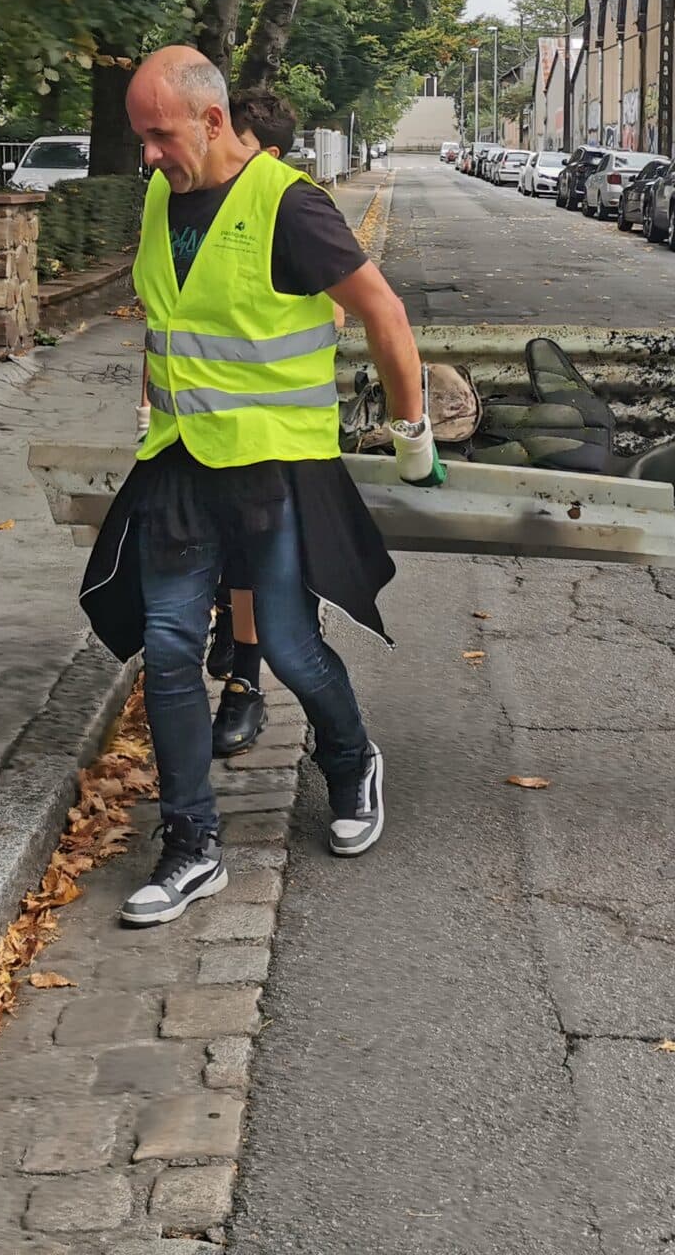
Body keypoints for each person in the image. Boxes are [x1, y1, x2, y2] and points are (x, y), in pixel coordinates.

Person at [83, 47, 442, 926]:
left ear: (212, 121)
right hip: (179, 461)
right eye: (141, 138)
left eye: (160, 135)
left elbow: (384, 314)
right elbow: (168, 326)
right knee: (169, 646)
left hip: (274, 467)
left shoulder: (290, 208)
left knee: (284, 641)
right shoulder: (164, 200)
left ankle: (350, 756)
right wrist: (145, 411)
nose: (150, 155)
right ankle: (191, 844)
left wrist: (412, 434)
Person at [196, 84, 319, 756]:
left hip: (268, 429)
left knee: (248, 556)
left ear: (266, 155)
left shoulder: (287, 209)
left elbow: (338, 308)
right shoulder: (197, 206)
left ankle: (246, 680)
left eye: (232, 145)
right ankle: (229, 626)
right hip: (201, 422)